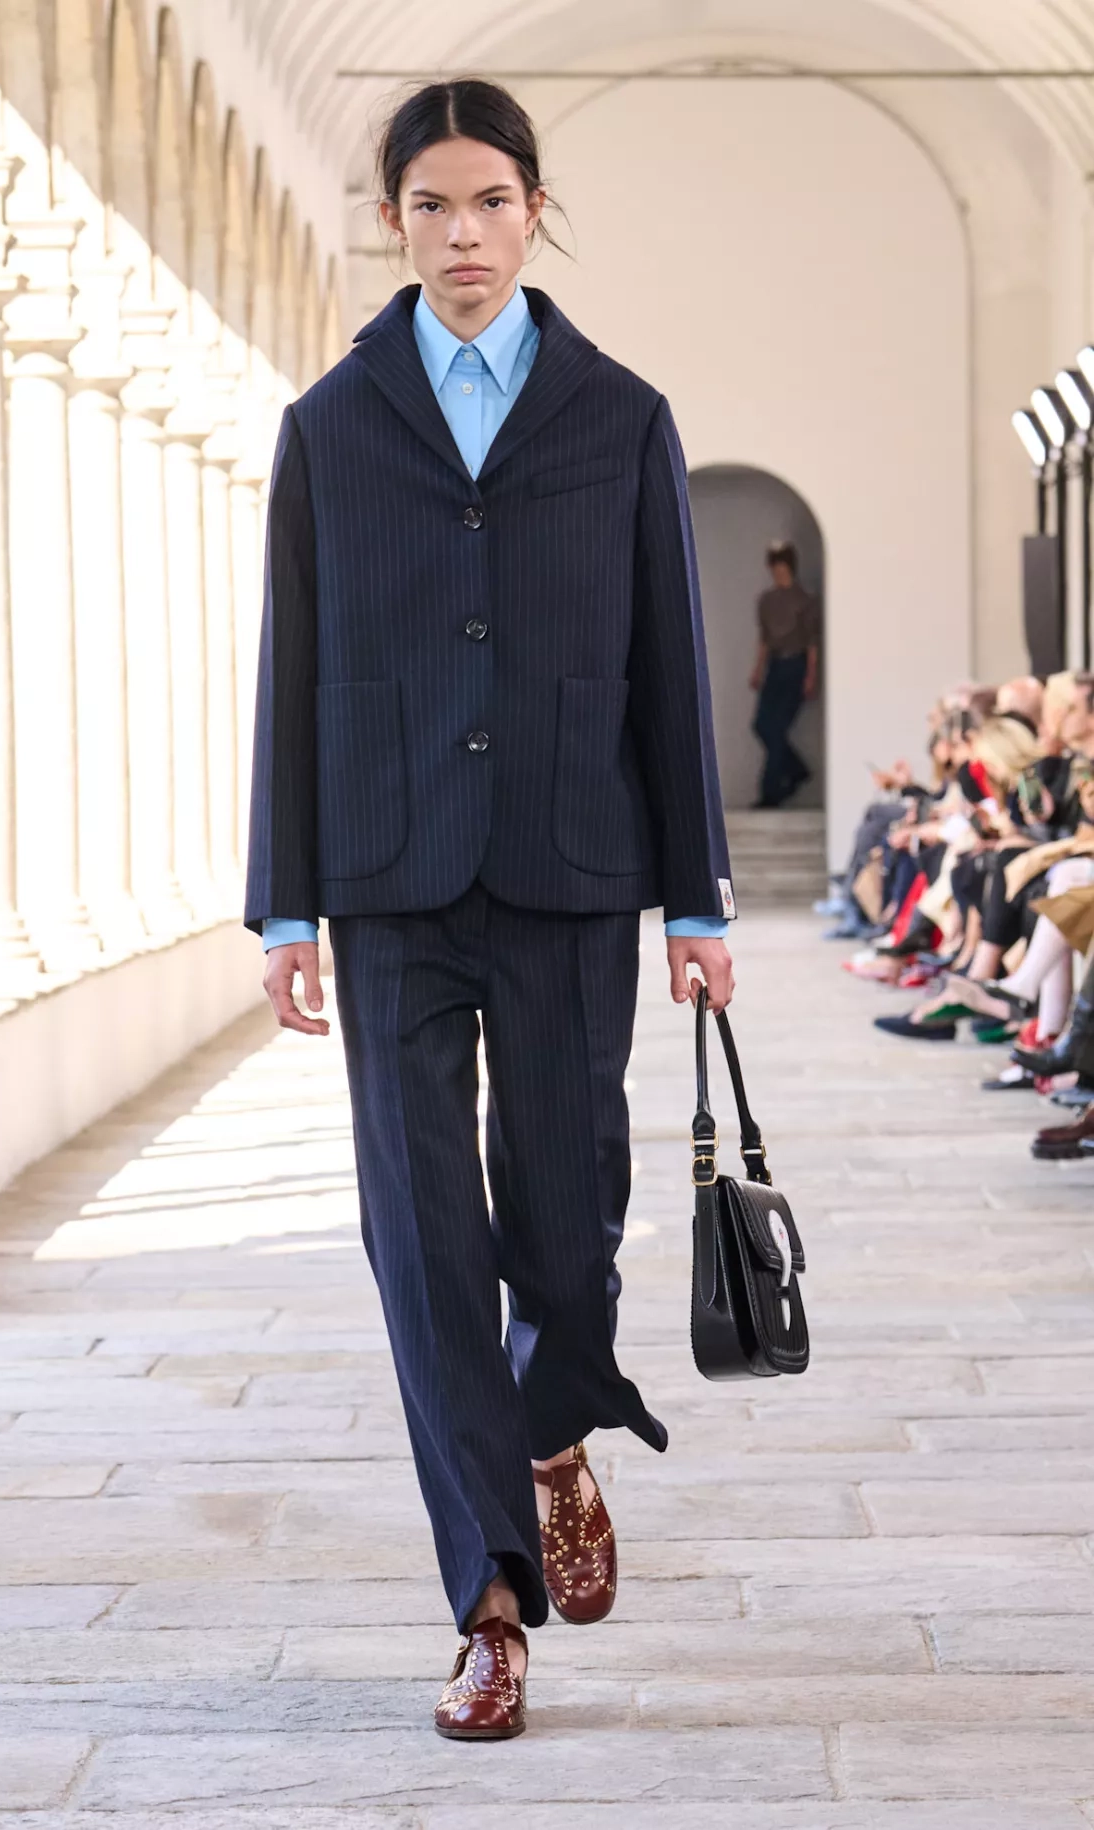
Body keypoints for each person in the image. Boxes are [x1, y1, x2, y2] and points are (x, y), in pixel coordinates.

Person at [243, 78, 736, 1740]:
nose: (463, 233)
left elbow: (671, 664)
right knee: (424, 1241)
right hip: (386, 882)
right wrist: (282, 910)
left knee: (569, 1224)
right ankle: (489, 1604)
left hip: (573, 866)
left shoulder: (622, 416)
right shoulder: (330, 426)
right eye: (432, 205)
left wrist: (698, 897)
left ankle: (552, 1423)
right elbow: (291, 673)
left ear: (535, 210)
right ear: (394, 220)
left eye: (492, 201)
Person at [748, 539, 820, 808]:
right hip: (775, 666)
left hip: (796, 666)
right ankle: (797, 770)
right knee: (762, 725)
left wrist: (810, 676)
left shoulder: (804, 600)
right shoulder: (767, 601)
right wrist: (757, 670)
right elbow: (765, 639)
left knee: (776, 728)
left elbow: (812, 642)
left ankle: (770, 793)